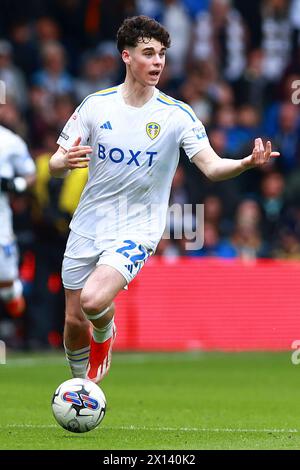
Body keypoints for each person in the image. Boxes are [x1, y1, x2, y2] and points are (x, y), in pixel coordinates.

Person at [49, 15, 280, 384]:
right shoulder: (96, 106)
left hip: (137, 226)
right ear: (126, 56)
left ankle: (105, 337)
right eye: (148, 53)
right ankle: (80, 389)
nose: (158, 62)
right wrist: (61, 161)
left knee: (93, 302)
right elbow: (56, 163)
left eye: (161, 55)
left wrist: (246, 162)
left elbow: (212, 167)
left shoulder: (176, 115)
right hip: (90, 222)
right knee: (74, 320)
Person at [0, 124, 36, 318]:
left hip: (1, 225)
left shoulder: (9, 141)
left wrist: (15, 184)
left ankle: (19, 326)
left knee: (6, 285)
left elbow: (31, 174)